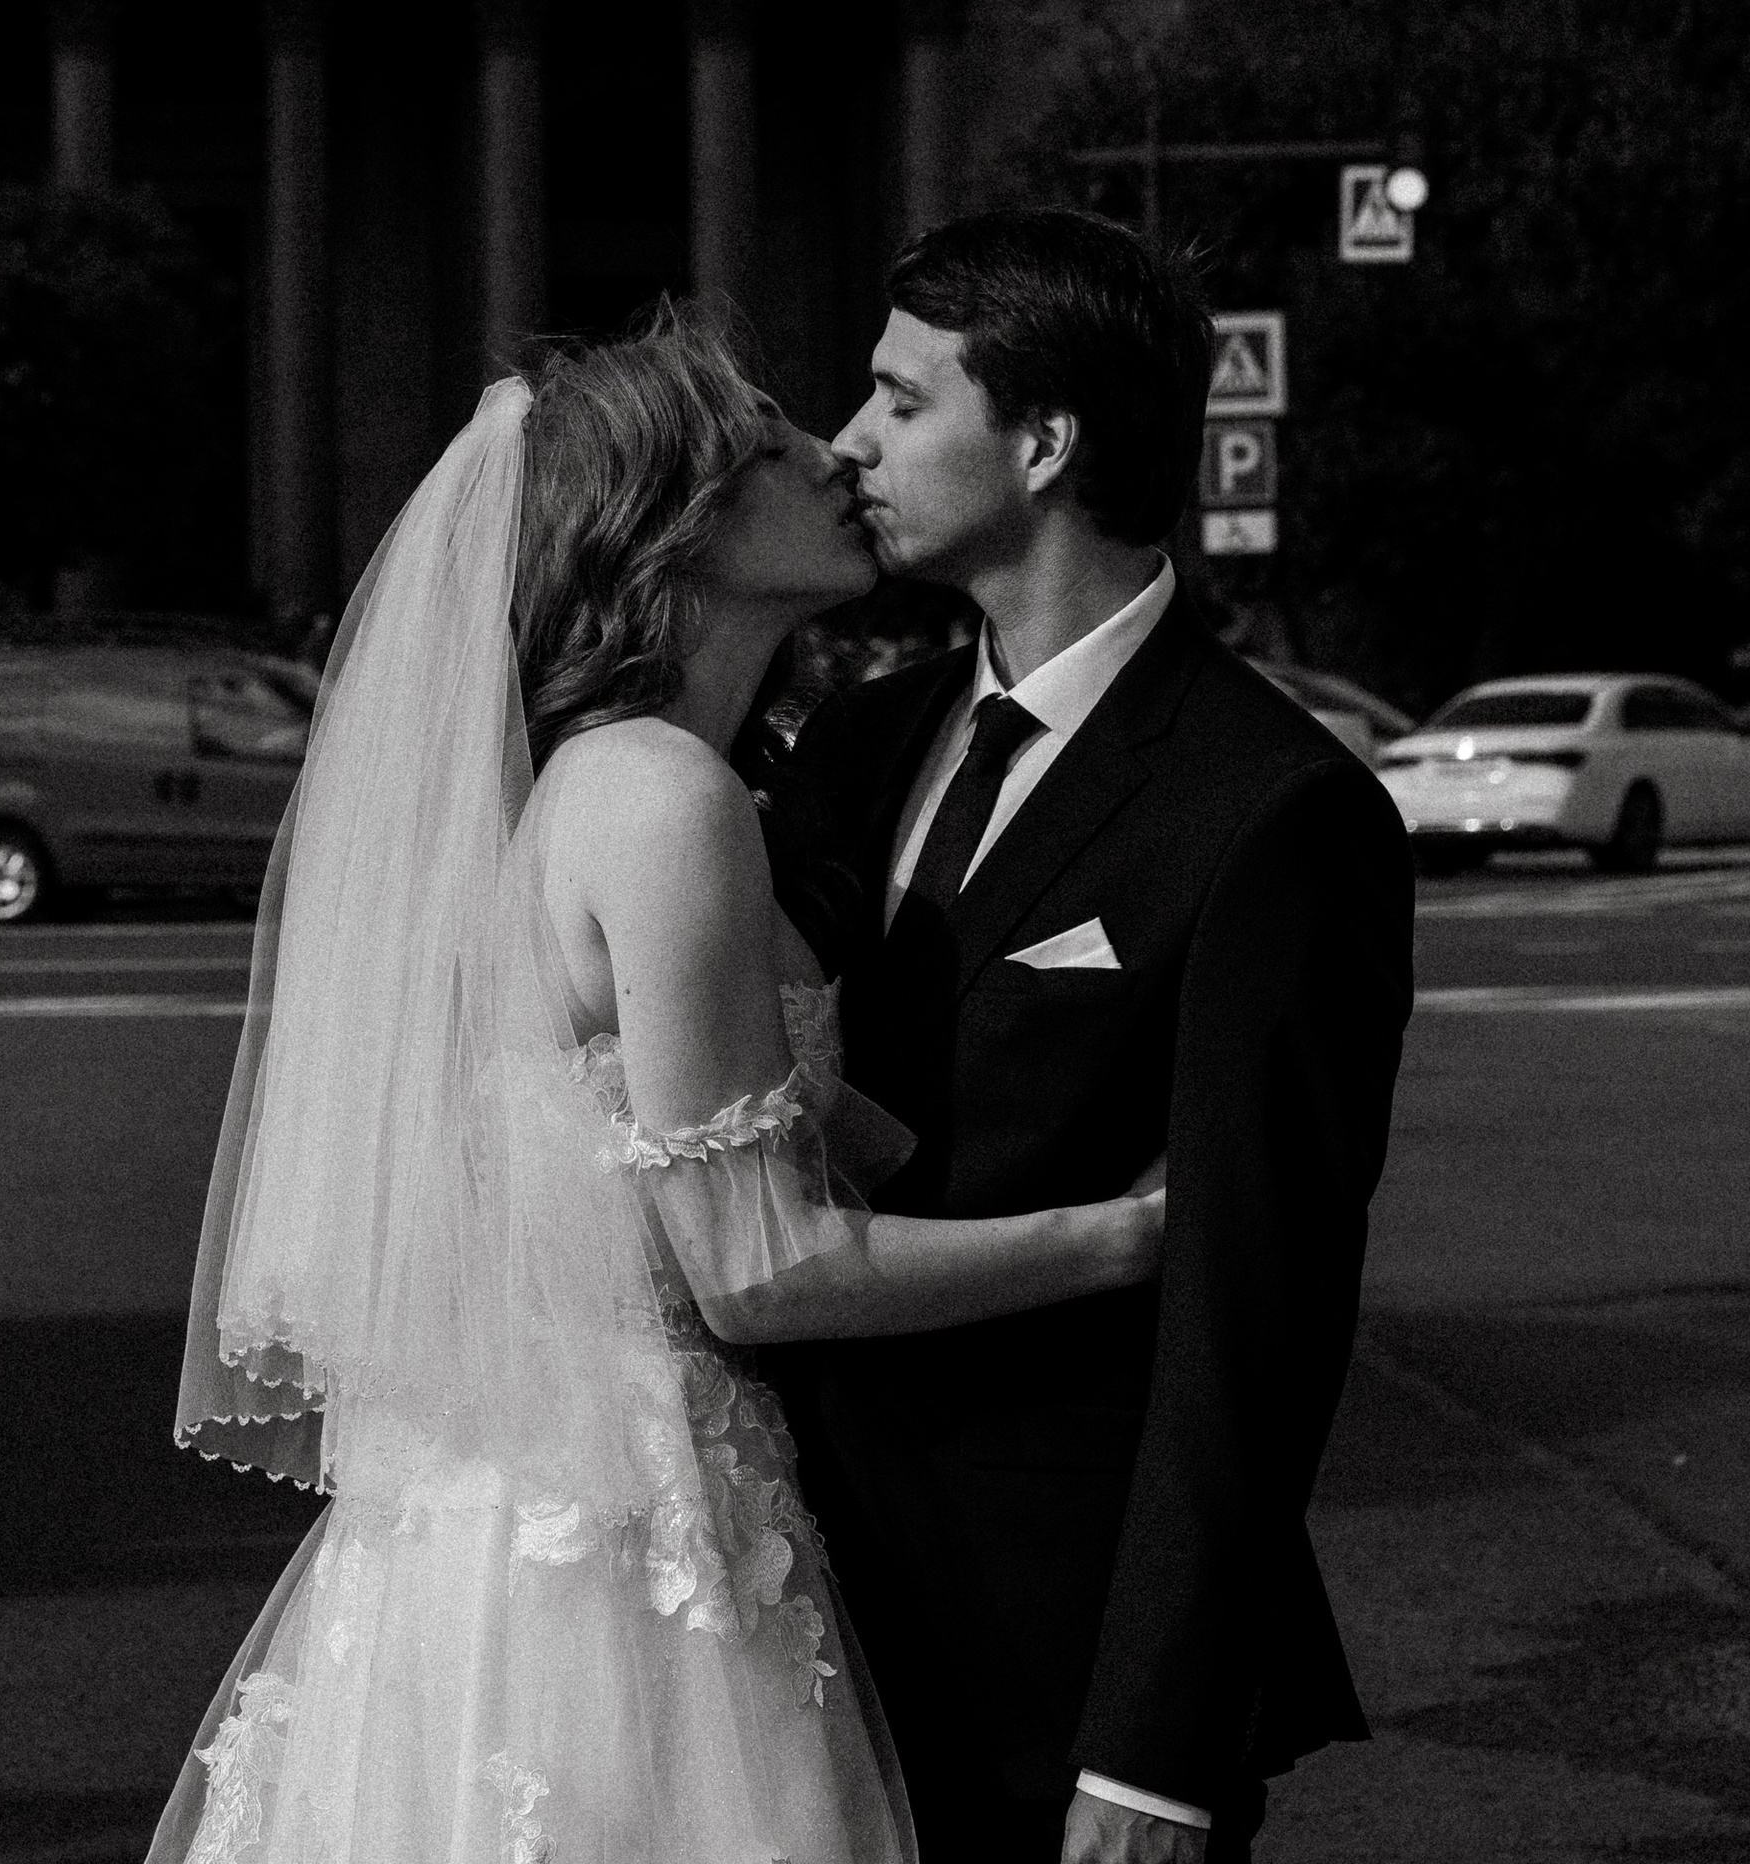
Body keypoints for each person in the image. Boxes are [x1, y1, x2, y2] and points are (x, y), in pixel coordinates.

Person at [151, 315, 1168, 1864]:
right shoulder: (659, 798)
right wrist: (1120, 1234)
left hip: (524, 1534)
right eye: (767, 445)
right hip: (622, 1563)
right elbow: (756, 1268)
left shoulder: (625, 786)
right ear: (669, 530)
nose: (831, 452)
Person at [762, 211, 1415, 1864]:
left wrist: (1154, 1749)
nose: (850, 444)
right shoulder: (853, 742)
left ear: (1046, 442)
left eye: (905, 402)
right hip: (783, 1638)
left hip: (1055, 1676)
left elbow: (1250, 1323)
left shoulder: (1274, 811)